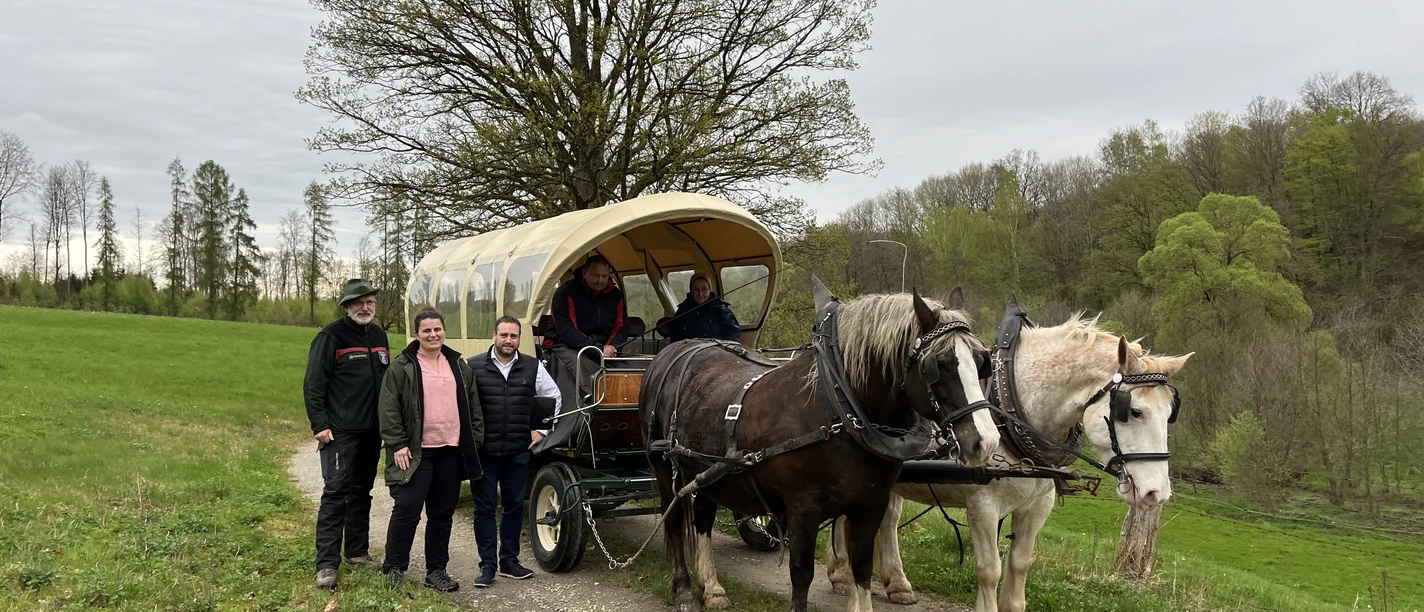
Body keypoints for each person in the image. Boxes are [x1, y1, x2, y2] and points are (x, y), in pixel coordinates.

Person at [377, 309, 485, 592]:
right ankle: (394, 567)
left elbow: (474, 407)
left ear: (444, 331)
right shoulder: (403, 366)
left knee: (442, 514)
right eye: (426, 330)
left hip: (450, 451)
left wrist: (474, 441)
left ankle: (436, 571)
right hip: (416, 453)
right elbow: (388, 408)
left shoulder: (458, 366)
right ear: (417, 334)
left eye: (437, 329)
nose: (432, 335)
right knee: (407, 509)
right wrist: (398, 443)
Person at [303, 279, 390, 589]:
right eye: (358, 303)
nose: (365, 307)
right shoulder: (330, 336)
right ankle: (326, 564)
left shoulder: (379, 335)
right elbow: (314, 384)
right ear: (346, 306)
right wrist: (320, 424)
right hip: (340, 432)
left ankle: (356, 550)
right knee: (336, 492)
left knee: (361, 492)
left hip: (371, 432)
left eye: (370, 302)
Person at [466, 316, 563, 587]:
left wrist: (542, 431)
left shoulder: (532, 367)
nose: (509, 341)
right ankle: (487, 566)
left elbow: (553, 397)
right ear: (494, 336)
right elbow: (461, 404)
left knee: (513, 507)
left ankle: (509, 561)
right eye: (504, 335)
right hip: (484, 452)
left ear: (519, 339)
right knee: (484, 509)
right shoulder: (473, 366)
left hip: (517, 451)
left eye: (514, 336)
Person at [545, 254, 627, 411]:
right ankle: (595, 409)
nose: (601, 280)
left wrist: (612, 347)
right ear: (584, 273)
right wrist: (598, 349)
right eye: (596, 275)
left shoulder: (615, 295)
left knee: (630, 367)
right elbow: (567, 331)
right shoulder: (566, 292)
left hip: (604, 348)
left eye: (604, 276)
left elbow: (621, 326)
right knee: (588, 370)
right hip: (565, 345)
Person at [667, 273, 742, 342]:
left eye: (704, 290)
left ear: (709, 290)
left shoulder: (720, 308)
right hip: (688, 351)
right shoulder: (683, 310)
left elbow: (733, 331)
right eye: (696, 290)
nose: (700, 294)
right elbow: (675, 335)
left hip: (715, 350)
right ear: (691, 291)